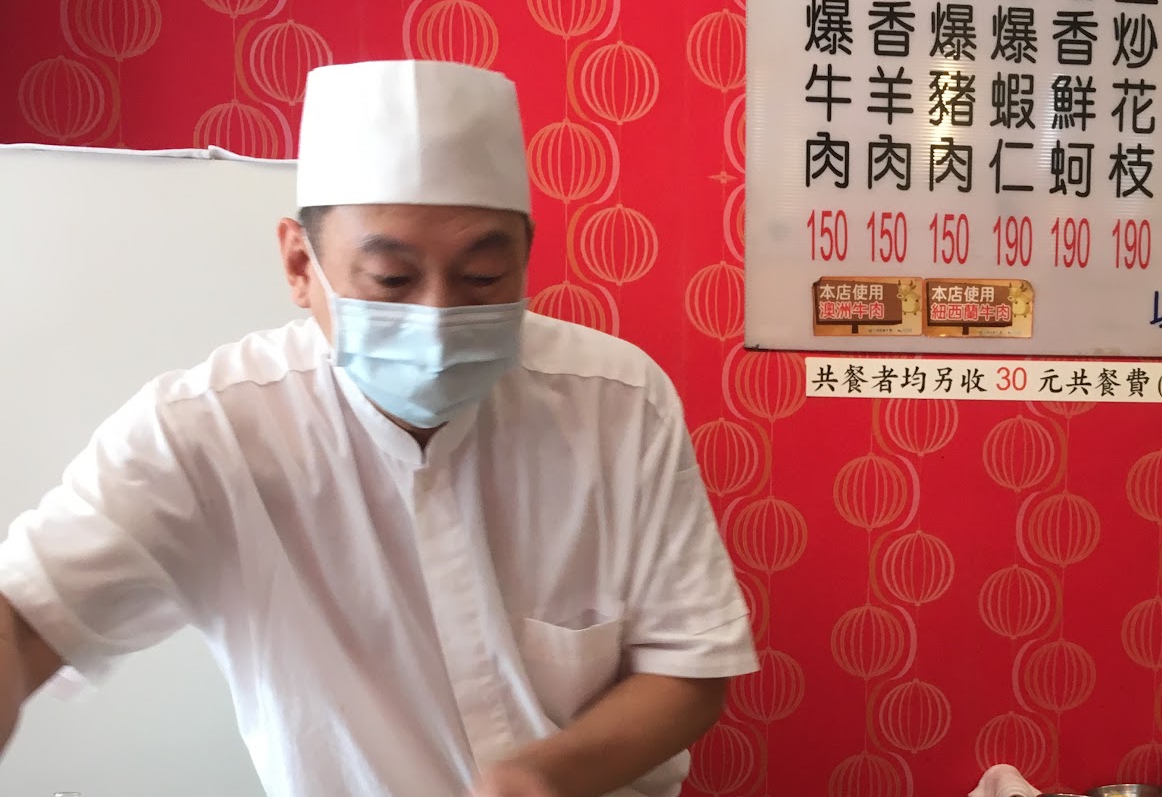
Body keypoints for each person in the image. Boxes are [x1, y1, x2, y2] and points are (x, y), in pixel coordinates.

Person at [0, 59, 759, 797]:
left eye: (483, 279)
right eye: (392, 281)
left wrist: (542, 777)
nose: (437, 317)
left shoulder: (616, 402)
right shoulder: (208, 433)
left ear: (526, 260)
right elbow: (28, 616)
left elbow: (689, 667)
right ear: (300, 265)